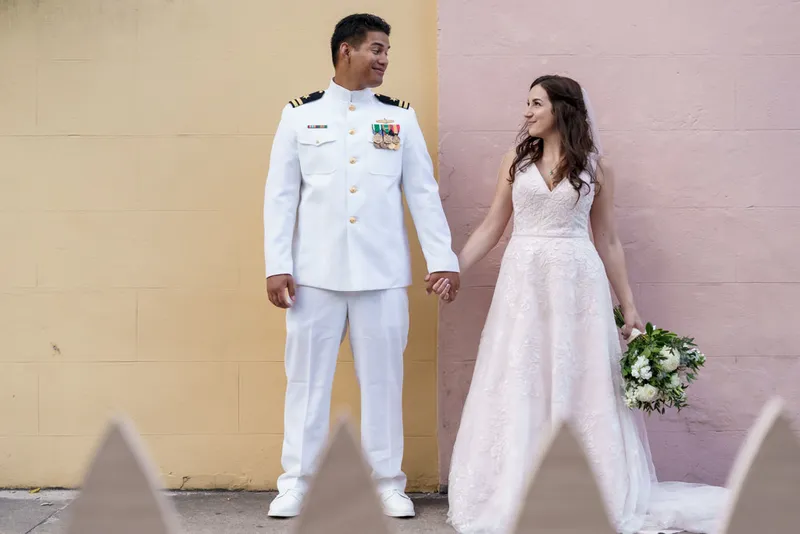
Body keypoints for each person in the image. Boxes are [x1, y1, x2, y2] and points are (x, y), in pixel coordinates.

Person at [433, 75, 728, 533]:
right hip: (524, 281)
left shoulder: (596, 167)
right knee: (522, 372)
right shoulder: (515, 160)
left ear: (562, 109)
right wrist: (454, 269)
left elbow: (607, 239)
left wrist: (629, 307)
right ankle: (515, 485)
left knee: (580, 376)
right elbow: (493, 226)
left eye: (536, 104)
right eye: (526, 104)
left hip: (578, 281)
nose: (527, 112)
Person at [263, 13, 460, 519]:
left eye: (387, 50)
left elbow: (422, 193)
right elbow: (281, 198)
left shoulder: (398, 118)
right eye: (376, 49)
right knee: (306, 382)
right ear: (345, 51)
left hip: (381, 276)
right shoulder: (299, 117)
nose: (384, 59)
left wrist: (444, 260)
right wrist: (277, 264)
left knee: (383, 382)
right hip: (314, 277)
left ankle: (388, 484)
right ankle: (296, 483)